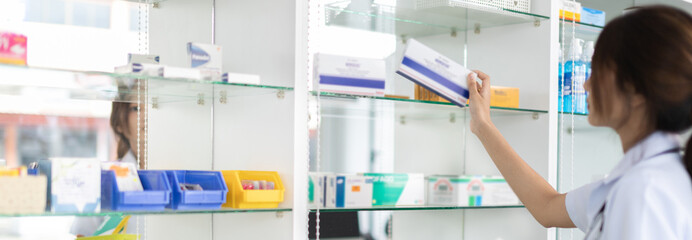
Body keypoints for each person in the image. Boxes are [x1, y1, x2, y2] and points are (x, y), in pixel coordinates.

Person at [466, 6, 692, 239]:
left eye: (598, 71)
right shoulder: (648, 177)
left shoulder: (642, 191)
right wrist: (483, 125)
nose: (585, 85)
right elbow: (547, 206)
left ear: (635, 91)